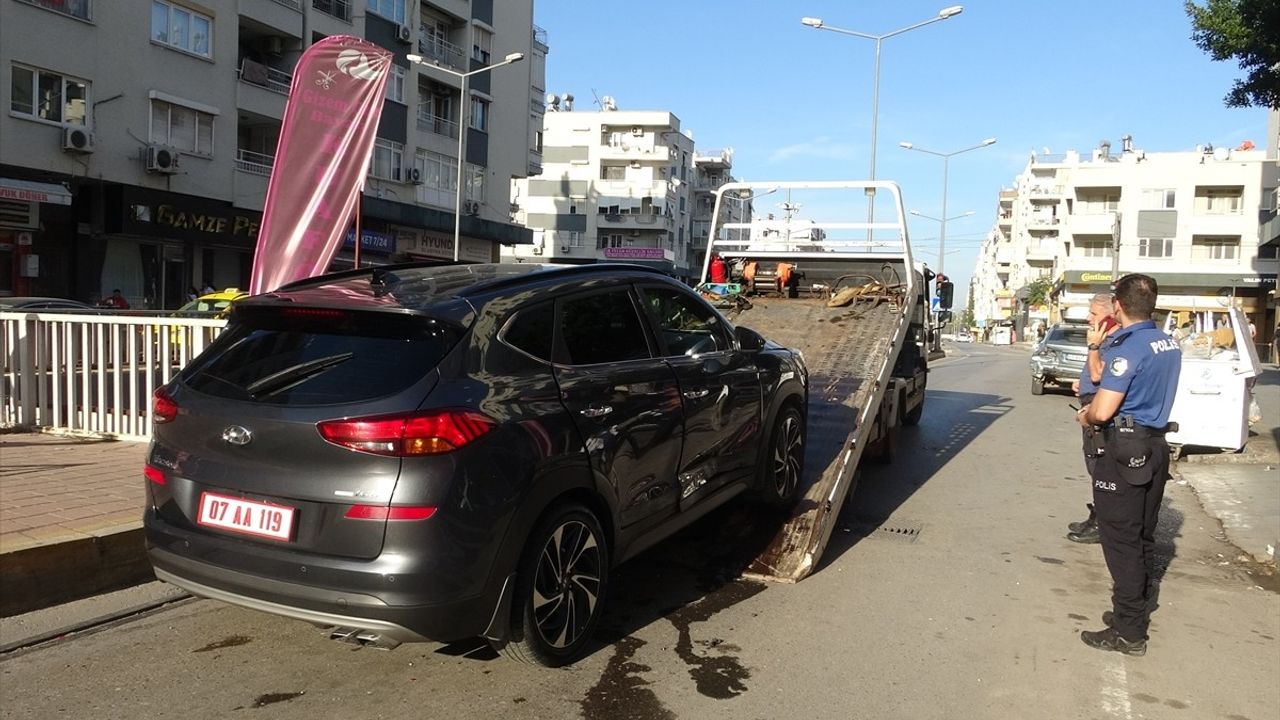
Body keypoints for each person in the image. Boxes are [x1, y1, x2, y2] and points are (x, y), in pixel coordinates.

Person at [1075, 274, 1181, 656]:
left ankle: (1129, 631)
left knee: (1121, 542)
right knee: (1143, 536)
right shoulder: (1167, 342)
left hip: (1124, 448)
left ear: (1117, 306)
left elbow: (1103, 411)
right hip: (1155, 445)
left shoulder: (1128, 348)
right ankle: (1130, 613)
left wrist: (1086, 416)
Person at [1066, 293, 1121, 544]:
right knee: (1094, 467)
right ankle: (1098, 516)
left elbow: (1099, 375)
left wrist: (1093, 346)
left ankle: (1102, 523)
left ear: (1110, 317)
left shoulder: (1112, 342)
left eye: (1094, 314)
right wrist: (1082, 383)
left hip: (1099, 411)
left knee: (1101, 469)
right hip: (1090, 402)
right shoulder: (1106, 340)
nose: (1089, 318)